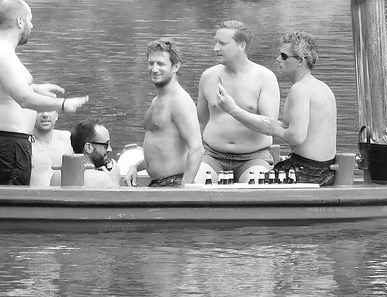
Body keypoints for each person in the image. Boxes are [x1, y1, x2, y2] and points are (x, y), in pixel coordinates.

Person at [0, 0, 89, 185]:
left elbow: (0, 86)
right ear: (20, 21)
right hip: (8, 145)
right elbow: (25, 100)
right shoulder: (3, 56)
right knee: (9, 204)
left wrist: (35, 87)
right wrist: (63, 104)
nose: (32, 25)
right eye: (30, 20)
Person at [217, 31, 338, 186]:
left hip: (305, 171)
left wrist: (275, 129)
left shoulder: (299, 90)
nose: (278, 60)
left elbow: (296, 136)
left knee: (250, 185)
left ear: (300, 60)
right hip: (326, 171)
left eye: (284, 56)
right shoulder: (323, 88)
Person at [197, 20, 281, 183]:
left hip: (254, 158)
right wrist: (190, 152)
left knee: (256, 190)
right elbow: (199, 123)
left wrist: (233, 110)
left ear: (241, 46)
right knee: (194, 186)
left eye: (222, 43)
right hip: (212, 155)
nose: (215, 48)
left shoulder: (265, 77)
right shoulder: (208, 76)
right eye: (215, 42)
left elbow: (270, 127)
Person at [123, 38, 204, 187]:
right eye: (151, 63)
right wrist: (136, 167)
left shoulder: (179, 101)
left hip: (173, 184)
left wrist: (184, 191)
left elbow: (197, 148)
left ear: (175, 67)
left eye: (160, 64)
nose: (154, 69)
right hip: (158, 184)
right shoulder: (157, 100)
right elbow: (162, 146)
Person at [50, 119, 119, 188]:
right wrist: (115, 183)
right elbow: (116, 198)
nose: (110, 149)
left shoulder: (56, 177)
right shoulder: (101, 178)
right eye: (106, 145)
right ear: (89, 147)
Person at [29, 110, 74, 186]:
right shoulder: (24, 144)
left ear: (56, 115)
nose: (45, 114)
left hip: (65, 196)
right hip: (34, 196)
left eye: (50, 110)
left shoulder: (68, 139)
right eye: (39, 110)